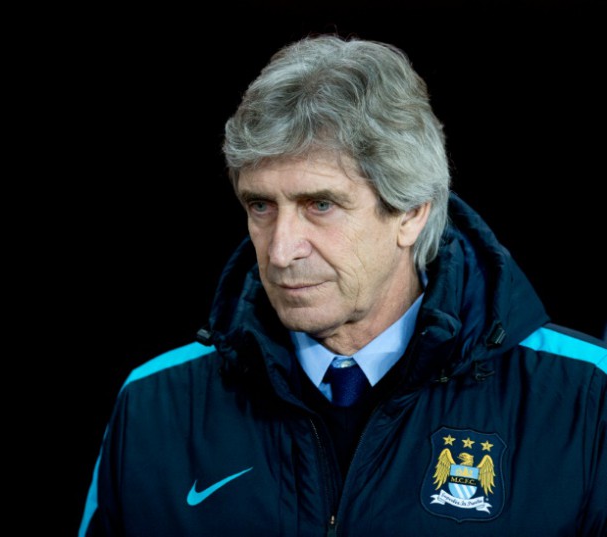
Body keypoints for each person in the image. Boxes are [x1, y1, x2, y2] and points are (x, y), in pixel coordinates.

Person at [79, 34, 606, 536]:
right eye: (260, 205)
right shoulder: (153, 402)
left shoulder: (585, 395)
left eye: (321, 205)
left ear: (412, 213)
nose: (281, 250)